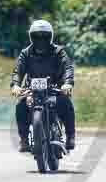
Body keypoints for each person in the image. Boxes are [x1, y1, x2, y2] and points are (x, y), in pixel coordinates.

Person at [11, 20, 76, 152]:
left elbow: (67, 67)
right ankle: (24, 140)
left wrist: (67, 83)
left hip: (55, 88)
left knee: (65, 102)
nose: (40, 40)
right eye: (37, 37)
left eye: (44, 37)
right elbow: (18, 71)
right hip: (32, 89)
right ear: (31, 37)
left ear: (50, 37)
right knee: (21, 105)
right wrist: (16, 85)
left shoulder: (59, 51)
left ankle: (70, 136)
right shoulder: (26, 53)